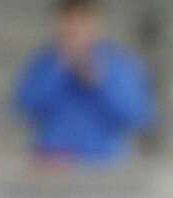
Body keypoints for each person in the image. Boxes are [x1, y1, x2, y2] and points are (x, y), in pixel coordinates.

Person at [12, 0, 154, 164]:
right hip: (54, 163)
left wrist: (100, 83)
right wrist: (58, 70)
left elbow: (137, 116)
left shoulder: (119, 65)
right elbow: (24, 107)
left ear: (97, 24)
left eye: (83, 20)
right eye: (69, 20)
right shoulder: (44, 63)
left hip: (104, 165)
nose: (76, 28)